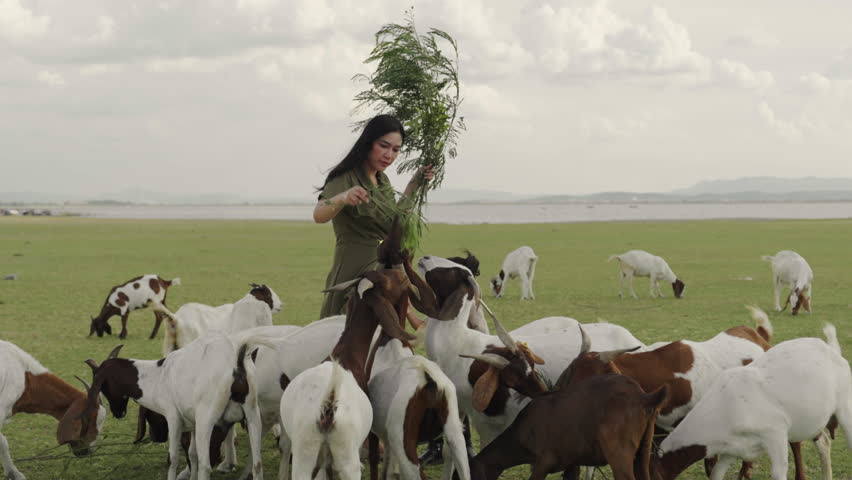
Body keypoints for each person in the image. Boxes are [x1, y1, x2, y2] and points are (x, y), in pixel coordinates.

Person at [314, 114, 433, 321]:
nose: (389, 155)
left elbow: (394, 222)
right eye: (383, 146)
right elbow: (319, 214)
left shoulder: (382, 180)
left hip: (383, 270)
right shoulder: (346, 177)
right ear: (368, 142)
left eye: (396, 150)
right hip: (353, 269)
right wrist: (343, 197)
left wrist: (415, 184)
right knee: (342, 332)